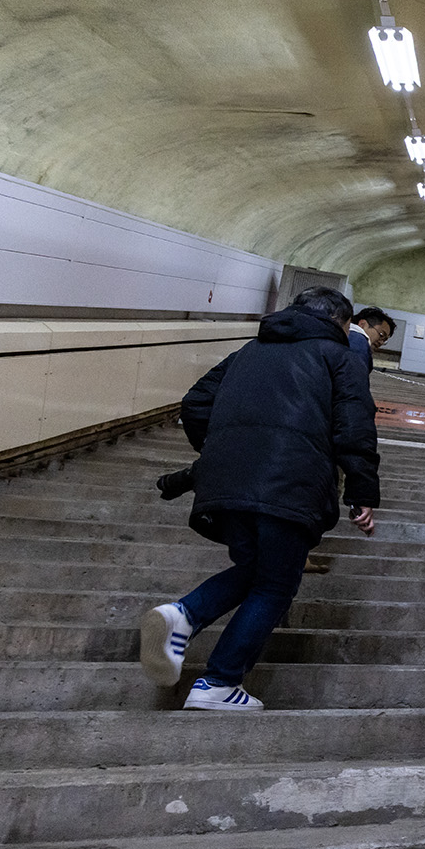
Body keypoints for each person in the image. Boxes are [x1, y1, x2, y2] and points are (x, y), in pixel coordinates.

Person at [137, 286, 381, 710]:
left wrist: (224, 450)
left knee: (257, 569)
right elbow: (354, 426)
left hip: (225, 483)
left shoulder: (249, 352)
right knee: (275, 584)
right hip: (290, 480)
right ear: (340, 322)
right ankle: (217, 680)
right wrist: (361, 490)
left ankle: (185, 616)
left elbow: (195, 403)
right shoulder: (338, 357)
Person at [349, 307, 396, 372]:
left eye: (385, 340)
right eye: (381, 335)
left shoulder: (345, 336)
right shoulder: (358, 343)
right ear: (362, 324)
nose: (381, 342)